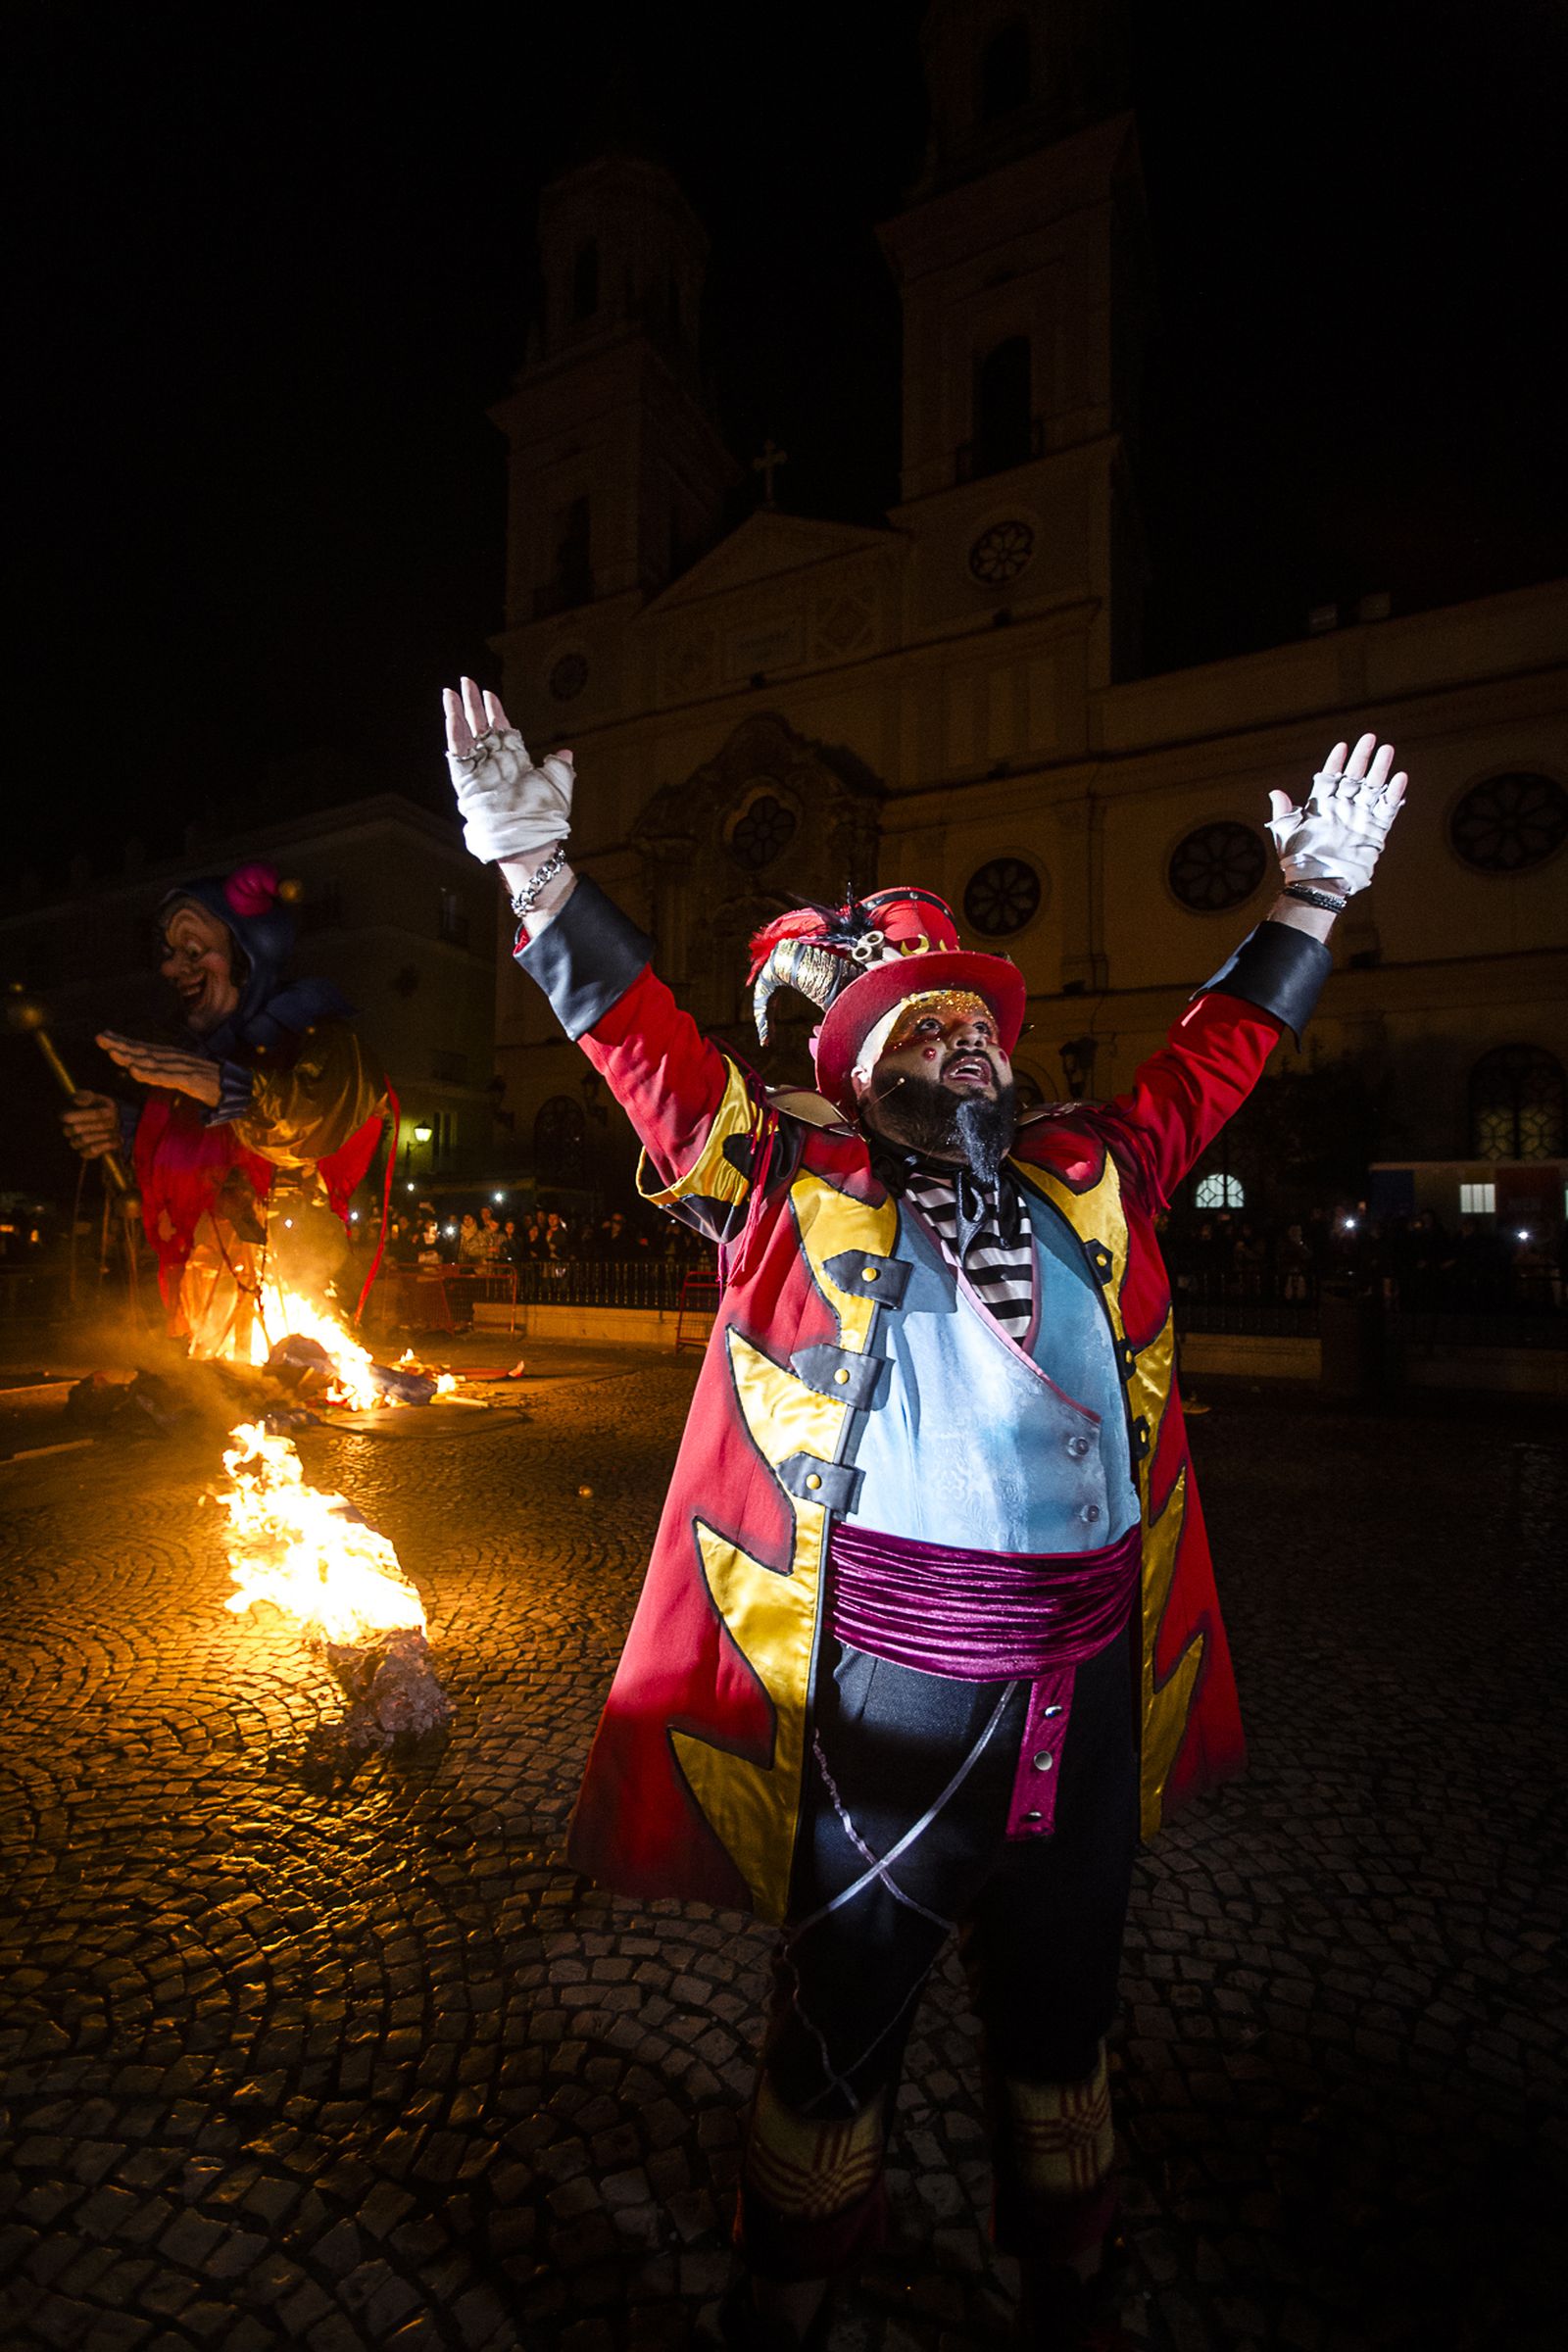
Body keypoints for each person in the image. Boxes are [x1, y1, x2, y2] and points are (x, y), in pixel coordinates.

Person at [443, 676, 1405, 2348]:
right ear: (857, 1076)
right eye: (922, 1030)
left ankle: (1071, 2285)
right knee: (841, 2025)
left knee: (1065, 2020)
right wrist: (539, 875)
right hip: (895, 1694)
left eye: (978, 1023)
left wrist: (1308, 903)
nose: (968, 1042)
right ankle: (784, 2299)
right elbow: (651, 1059)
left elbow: (1220, 1053)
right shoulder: (787, 1188)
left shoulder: (1100, 1163)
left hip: (1089, 1694)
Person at [62, 860, 387, 1357]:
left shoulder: (322, 1036)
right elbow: (190, 1158)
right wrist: (125, 1131)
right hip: (208, 1264)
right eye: (169, 954)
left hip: (286, 1257)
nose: (173, 968)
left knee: (270, 1361)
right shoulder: (194, 1052)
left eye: (194, 951)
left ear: (247, 955)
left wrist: (221, 1086)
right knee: (215, 1365)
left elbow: (309, 1124)